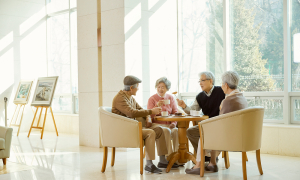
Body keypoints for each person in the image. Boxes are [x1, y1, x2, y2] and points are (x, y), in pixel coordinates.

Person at [185, 71, 248, 174]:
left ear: (226, 85)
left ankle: (199, 165)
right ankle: (211, 163)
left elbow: (220, 124)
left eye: (223, 83)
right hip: (239, 134)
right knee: (202, 130)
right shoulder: (242, 98)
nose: (221, 85)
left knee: (204, 131)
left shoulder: (227, 101)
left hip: (228, 137)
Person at [112, 75, 178, 174]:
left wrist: (148, 117)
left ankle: (163, 160)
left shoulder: (129, 97)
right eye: (137, 86)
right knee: (150, 133)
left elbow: (141, 110)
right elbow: (132, 112)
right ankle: (149, 164)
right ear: (131, 88)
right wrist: (151, 111)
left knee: (159, 129)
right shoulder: (120, 98)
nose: (138, 89)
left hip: (133, 126)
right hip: (125, 129)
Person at [177, 71, 225, 160]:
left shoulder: (221, 91)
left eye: (202, 81)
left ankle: (211, 156)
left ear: (210, 81)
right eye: (199, 81)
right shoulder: (200, 96)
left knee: (204, 131)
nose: (200, 83)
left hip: (220, 124)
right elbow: (193, 110)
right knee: (190, 131)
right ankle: (205, 155)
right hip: (207, 124)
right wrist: (184, 106)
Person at [147, 77, 179, 158]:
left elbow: (175, 112)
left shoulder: (171, 98)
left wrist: (174, 123)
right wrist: (156, 106)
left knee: (176, 131)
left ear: (167, 88)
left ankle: (177, 157)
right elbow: (149, 115)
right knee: (167, 131)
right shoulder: (152, 99)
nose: (160, 89)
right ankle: (169, 157)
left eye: (163, 87)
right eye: (158, 87)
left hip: (168, 124)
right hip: (156, 124)